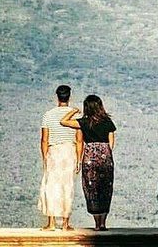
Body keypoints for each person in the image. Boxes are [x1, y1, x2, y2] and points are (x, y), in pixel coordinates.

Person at [60, 94, 116, 231]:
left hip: (89, 156)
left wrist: (73, 111)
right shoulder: (108, 122)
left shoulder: (84, 122)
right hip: (105, 157)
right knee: (105, 189)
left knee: (91, 189)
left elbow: (63, 121)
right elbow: (111, 143)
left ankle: (97, 223)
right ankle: (103, 223)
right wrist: (104, 153)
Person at [38, 84, 82, 231]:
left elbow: (44, 139)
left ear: (56, 96)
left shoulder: (48, 115)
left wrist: (45, 157)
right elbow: (79, 139)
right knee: (67, 187)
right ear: (69, 97)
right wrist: (79, 159)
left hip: (54, 152)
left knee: (50, 186)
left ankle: (51, 223)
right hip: (69, 152)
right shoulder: (75, 115)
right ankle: (65, 223)